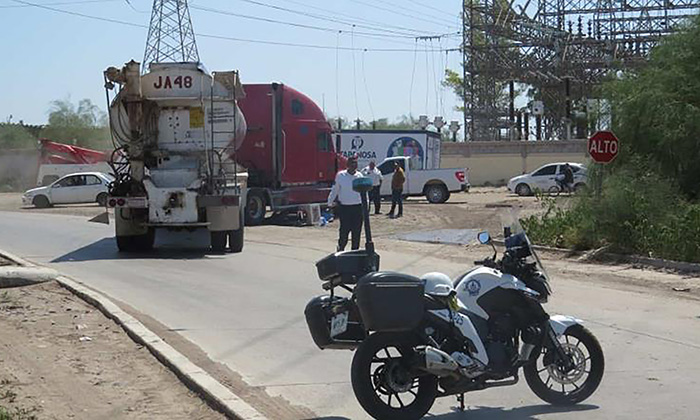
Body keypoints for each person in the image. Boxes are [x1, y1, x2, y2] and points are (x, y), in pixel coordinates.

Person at [327, 155, 364, 251]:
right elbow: (335, 190)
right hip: (345, 208)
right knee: (344, 231)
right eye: (351, 163)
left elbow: (364, 193)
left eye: (355, 163)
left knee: (356, 232)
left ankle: (354, 251)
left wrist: (366, 206)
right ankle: (341, 249)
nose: (353, 165)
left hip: (357, 208)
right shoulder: (341, 176)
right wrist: (330, 202)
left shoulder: (360, 176)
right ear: (347, 164)